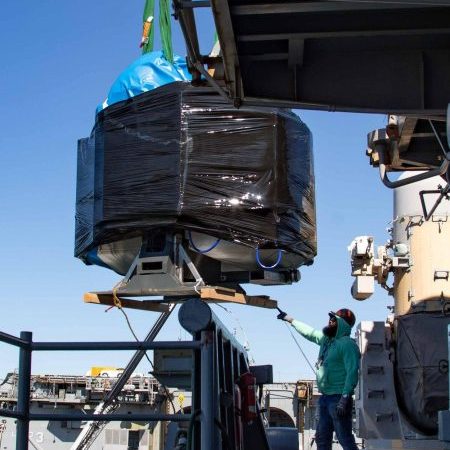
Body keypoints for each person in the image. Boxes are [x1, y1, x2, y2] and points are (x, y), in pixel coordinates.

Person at [277, 308, 360, 450]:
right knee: (322, 438)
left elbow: (352, 372)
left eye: (334, 320)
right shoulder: (327, 341)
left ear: (343, 324)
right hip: (325, 399)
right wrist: (291, 320)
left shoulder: (347, 344)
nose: (330, 321)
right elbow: (310, 332)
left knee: (345, 439)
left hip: (338, 398)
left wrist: (345, 397)